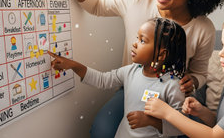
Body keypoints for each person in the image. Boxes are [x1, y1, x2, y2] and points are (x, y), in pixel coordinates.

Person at [43, 0, 224, 137]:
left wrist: (193, 81)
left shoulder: (202, 28)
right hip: (132, 87)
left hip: (175, 96)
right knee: (101, 131)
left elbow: (199, 74)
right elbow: (96, 5)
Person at [49, 18, 187, 137]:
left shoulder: (173, 86)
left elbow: (182, 126)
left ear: (162, 55)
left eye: (143, 41)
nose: (135, 43)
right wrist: (74, 65)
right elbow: (102, 80)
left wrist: (151, 121)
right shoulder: (131, 71)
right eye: (137, 38)